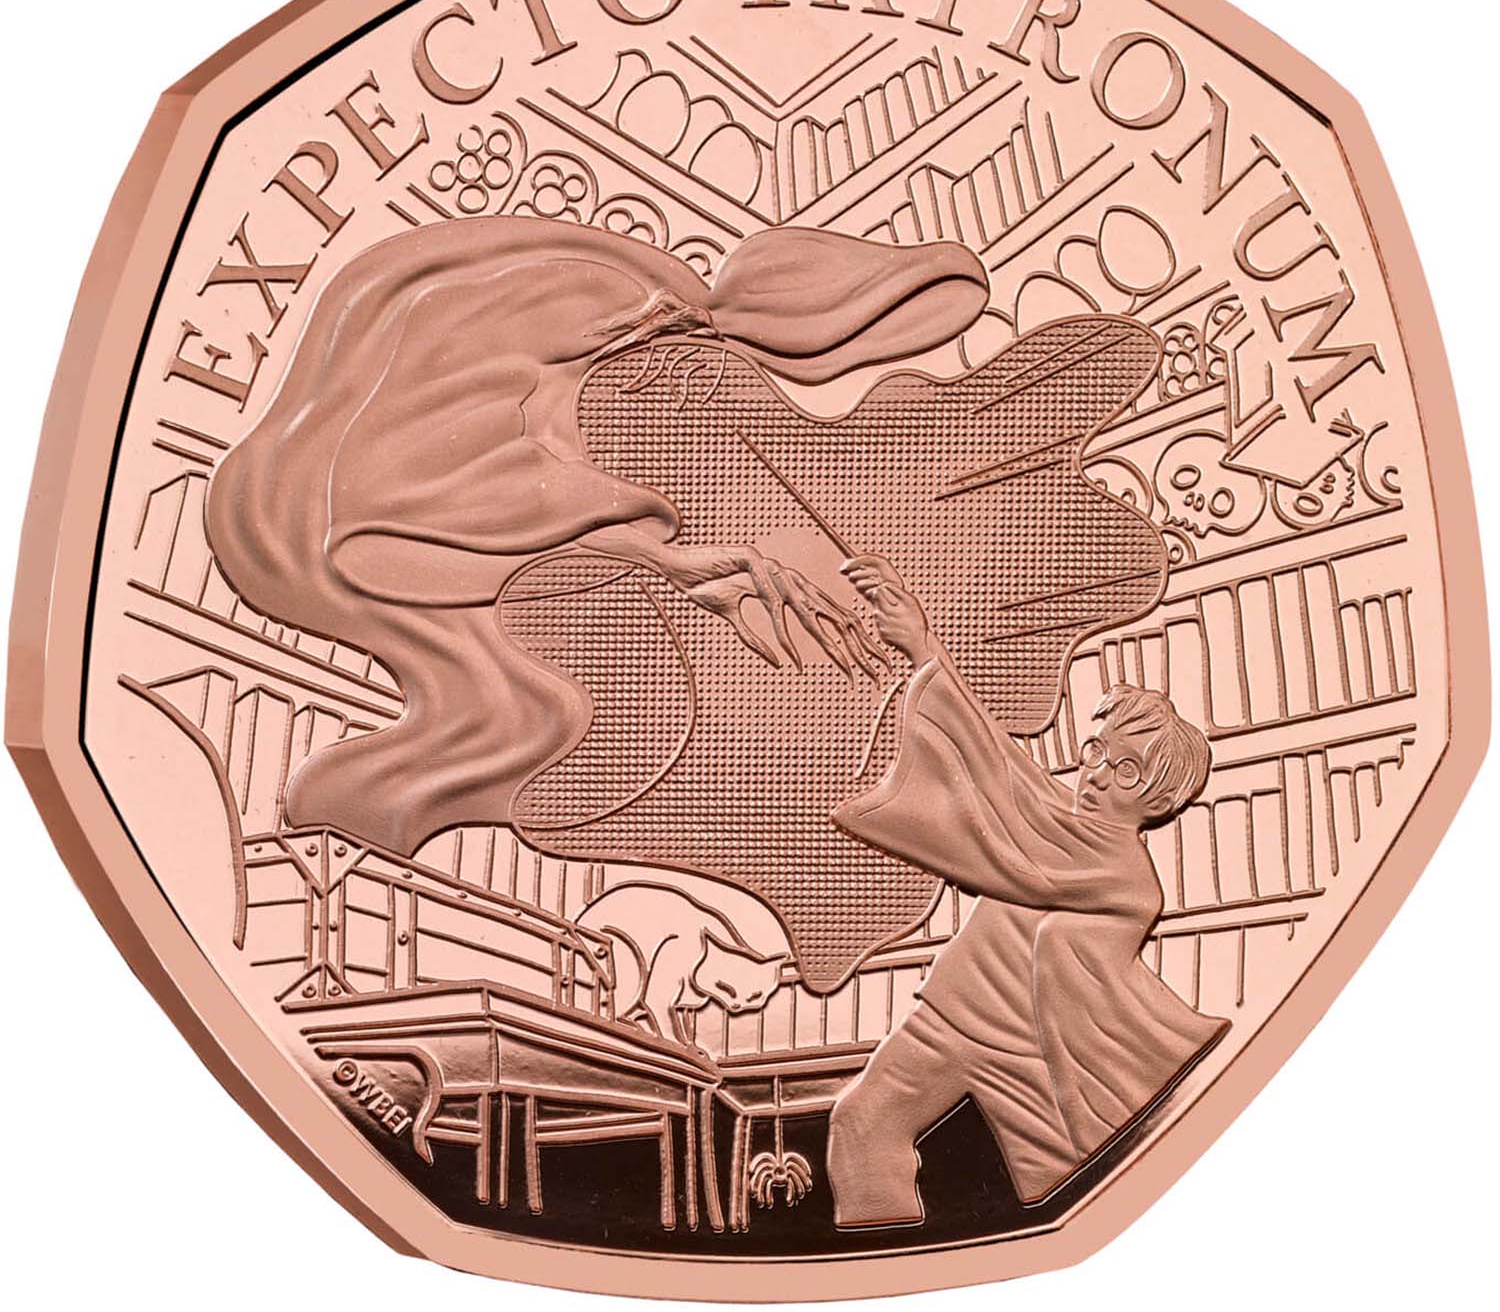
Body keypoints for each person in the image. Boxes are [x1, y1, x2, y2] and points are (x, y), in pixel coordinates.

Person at [205, 218, 987, 855]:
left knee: (529, 716)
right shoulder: (596, 297)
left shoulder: (632, 343)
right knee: (526, 713)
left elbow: (516, 481)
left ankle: (347, 825)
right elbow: (421, 474)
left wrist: (663, 557)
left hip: (374, 537)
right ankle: (344, 824)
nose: (712, 395)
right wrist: (654, 544)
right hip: (320, 523)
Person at [826, 554, 1227, 1224]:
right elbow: (1004, 771)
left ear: (1161, 800)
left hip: (1027, 1048)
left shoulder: (1124, 877)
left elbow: (999, 784)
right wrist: (922, 646)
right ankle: (879, 1248)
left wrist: (924, 649)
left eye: (1126, 769)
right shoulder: (1056, 821)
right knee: (859, 1123)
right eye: (1096, 749)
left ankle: (913, 1255)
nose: (1098, 773)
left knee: (1049, 1180)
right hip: (952, 1016)